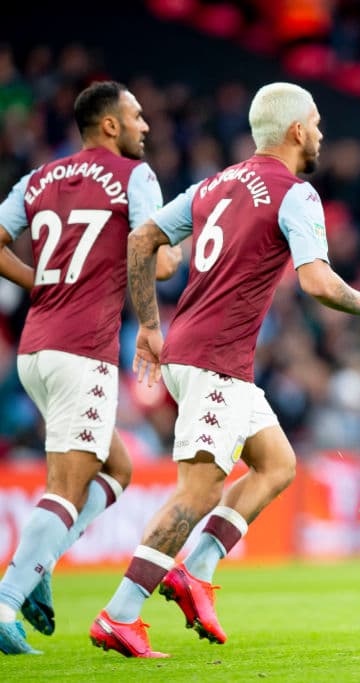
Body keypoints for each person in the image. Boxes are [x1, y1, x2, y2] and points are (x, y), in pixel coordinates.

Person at [90, 82, 360, 658]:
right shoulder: (296, 194)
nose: (319, 133)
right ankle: (120, 614)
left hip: (207, 354)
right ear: (295, 131)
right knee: (199, 489)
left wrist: (150, 325)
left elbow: (143, 237)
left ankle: (196, 571)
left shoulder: (215, 184)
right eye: (315, 123)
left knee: (277, 465)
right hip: (213, 361)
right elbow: (314, 280)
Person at [0, 81, 180, 655]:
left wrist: (40, 282)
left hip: (35, 350)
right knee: (67, 486)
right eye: (137, 115)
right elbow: (149, 253)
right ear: (110, 125)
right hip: (82, 350)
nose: (145, 125)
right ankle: (6, 602)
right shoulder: (135, 177)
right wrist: (152, 317)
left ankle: (39, 564)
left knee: (118, 467)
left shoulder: (39, 178)